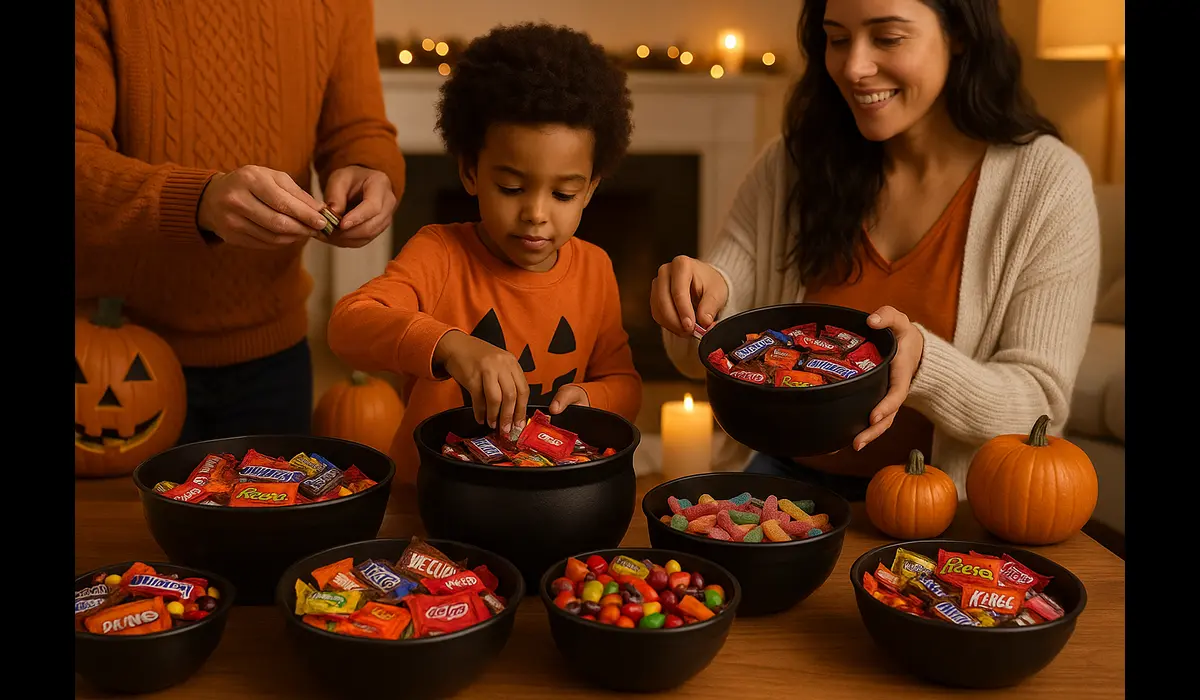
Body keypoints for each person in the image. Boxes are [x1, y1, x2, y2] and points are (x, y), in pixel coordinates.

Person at [652, 0, 1100, 500]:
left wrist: (923, 364)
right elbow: (698, 356)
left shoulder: (1047, 184)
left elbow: (1040, 404)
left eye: (887, 38)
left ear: (960, 34)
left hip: (945, 511)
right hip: (774, 488)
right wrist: (693, 303)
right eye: (838, 38)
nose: (854, 67)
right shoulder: (789, 165)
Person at [75, 0, 407, 444]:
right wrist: (197, 202)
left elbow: (358, 129)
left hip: (277, 357)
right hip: (109, 359)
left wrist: (370, 167)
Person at [327, 23, 643, 486]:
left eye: (563, 194)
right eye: (511, 188)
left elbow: (626, 384)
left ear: (590, 190)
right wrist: (451, 346)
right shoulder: (439, 253)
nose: (536, 214)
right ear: (470, 173)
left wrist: (593, 399)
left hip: (545, 491)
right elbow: (347, 324)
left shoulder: (595, 268)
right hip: (432, 494)